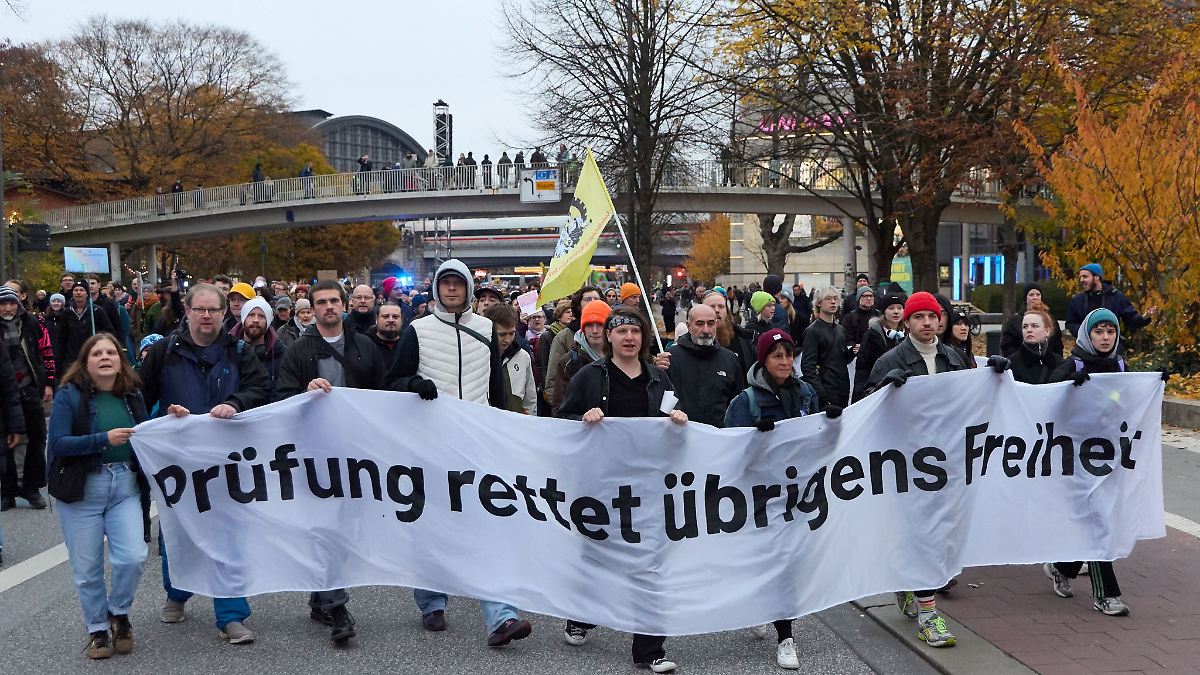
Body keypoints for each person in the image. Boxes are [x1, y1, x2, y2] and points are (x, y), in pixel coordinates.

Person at [385, 259, 534, 647]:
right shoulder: (417, 330)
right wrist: (415, 383)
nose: (452, 290)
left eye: (458, 284)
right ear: (436, 289)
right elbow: (393, 382)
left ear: (469, 289)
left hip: (477, 443)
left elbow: (496, 390)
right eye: (445, 283)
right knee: (432, 526)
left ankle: (501, 615)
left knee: (487, 526)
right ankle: (432, 602)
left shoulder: (486, 329)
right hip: (431, 444)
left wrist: (503, 430)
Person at [865, 292, 1009, 649]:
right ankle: (930, 616)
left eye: (933, 316)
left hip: (947, 461)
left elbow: (970, 403)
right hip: (907, 462)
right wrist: (883, 388)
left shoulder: (954, 357)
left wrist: (995, 376)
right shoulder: (890, 360)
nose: (927, 323)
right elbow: (864, 408)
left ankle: (908, 582)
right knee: (919, 532)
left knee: (937, 533)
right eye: (919, 317)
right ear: (907, 322)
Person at [557, 307, 687, 674]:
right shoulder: (589, 376)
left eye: (635, 331)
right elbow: (560, 421)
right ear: (609, 338)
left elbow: (674, 419)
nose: (629, 337)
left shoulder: (660, 379)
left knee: (648, 563)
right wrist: (582, 419)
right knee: (596, 554)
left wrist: (678, 420)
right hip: (600, 484)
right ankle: (582, 615)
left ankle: (650, 648)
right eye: (621, 331)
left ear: (644, 338)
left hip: (647, 485)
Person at [139, 283, 269, 644]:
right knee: (177, 534)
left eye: (214, 310)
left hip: (226, 461)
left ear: (224, 313)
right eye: (201, 310)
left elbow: (261, 390)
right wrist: (162, 415)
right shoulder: (163, 352)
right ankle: (177, 591)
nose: (208, 316)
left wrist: (237, 403)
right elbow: (139, 399)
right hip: (178, 463)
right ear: (188, 310)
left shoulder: (240, 351)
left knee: (228, 535)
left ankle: (231, 615)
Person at [276, 281, 385, 643]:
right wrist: (303, 394)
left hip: (354, 453)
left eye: (333, 301)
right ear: (311, 308)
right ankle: (339, 608)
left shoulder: (364, 346)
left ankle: (321, 597)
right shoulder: (298, 350)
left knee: (342, 527)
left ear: (345, 305)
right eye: (320, 302)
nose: (327, 307)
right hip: (314, 453)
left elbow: (382, 398)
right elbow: (281, 397)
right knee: (326, 528)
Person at [1042, 308, 1160, 617]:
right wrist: (1069, 382)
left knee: (1099, 519)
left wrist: (1153, 384)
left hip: (1110, 457)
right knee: (1099, 523)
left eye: (1110, 331)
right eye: (1099, 331)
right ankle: (1106, 595)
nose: (1105, 337)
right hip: (1075, 458)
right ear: (1088, 334)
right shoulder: (1074, 363)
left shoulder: (1121, 364)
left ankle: (1062, 566)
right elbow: (1047, 403)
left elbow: (1127, 402)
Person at [47, 333, 149, 659]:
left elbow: (147, 435)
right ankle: (97, 630)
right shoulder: (69, 395)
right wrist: (102, 439)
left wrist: (171, 420)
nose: (104, 357)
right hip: (81, 491)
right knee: (88, 569)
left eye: (111, 353)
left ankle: (118, 612)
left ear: (121, 361)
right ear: (85, 361)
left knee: (133, 556)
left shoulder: (131, 395)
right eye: (96, 354)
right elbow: (59, 444)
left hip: (124, 488)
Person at [0, 286, 52, 510]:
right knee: (6, 442)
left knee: (37, 438)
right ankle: (8, 491)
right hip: (3, 392)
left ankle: (32, 487)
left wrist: (49, 382)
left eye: (12, 303)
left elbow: (46, 352)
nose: (8, 307)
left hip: (30, 388)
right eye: (3, 304)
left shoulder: (31, 323)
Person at [666, 304, 745, 427]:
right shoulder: (671, 358)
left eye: (711, 323)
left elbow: (738, 404)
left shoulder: (730, 360)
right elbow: (661, 402)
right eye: (699, 324)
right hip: (680, 435)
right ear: (689, 326)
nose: (706, 330)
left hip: (719, 438)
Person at [545, 287, 603, 413]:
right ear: (578, 305)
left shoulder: (618, 351)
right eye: (588, 299)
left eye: (596, 299)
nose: (594, 330)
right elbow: (553, 382)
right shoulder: (564, 338)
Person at [1065, 263, 1157, 338]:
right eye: (1080, 277)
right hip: (1085, 350)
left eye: (1085, 276)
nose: (1081, 280)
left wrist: (1145, 317)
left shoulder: (1116, 296)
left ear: (1097, 277)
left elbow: (1131, 320)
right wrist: (1086, 333)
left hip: (1111, 349)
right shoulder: (1077, 299)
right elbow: (1071, 323)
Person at [801, 288, 853, 408]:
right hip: (826, 390)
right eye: (828, 299)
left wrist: (852, 352)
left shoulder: (840, 329)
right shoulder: (812, 331)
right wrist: (821, 394)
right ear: (819, 303)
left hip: (843, 388)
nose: (833, 302)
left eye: (835, 298)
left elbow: (842, 359)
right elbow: (807, 367)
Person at [552, 300, 610, 407]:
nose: (594, 330)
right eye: (589, 325)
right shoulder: (569, 361)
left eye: (600, 324)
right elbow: (560, 408)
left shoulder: (621, 358)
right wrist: (582, 418)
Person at [229, 296, 287, 403]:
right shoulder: (227, 348)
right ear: (244, 318)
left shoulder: (282, 353)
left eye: (261, 316)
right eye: (251, 315)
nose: (255, 320)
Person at [851, 293, 906, 402]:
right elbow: (863, 368)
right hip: (877, 389)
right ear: (884, 312)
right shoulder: (872, 335)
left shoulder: (908, 334)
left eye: (900, 308)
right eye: (891, 308)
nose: (896, 311)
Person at [483, 305, 536, 414]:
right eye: (501, 335)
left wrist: (530, 418)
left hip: (516, 423)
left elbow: (530, 396)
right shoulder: (479, 355)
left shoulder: (523, 356)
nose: (507, 340)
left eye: (511, 333)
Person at [58, 285, 115, 369]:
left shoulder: (96, 310)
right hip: (71, 358)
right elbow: (61, 337)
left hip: (92, 355)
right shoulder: (66, 312)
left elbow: (108, 331)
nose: (78, 293)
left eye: (82, 290)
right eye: (76, 290)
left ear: (87, 293)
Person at [1000, 283, 1063, 357]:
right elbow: (1006, 346)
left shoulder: (1051, 320)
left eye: (1038, 294)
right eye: (1031, 295)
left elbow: (1058, 345)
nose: (1035, 297)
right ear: (1025, 298)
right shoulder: (1014, 322)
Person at [1008, 301, 1062, 385]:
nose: (1029, 330)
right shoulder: (1011, 364)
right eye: (1025, 326)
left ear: (1047, 330)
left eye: (1034, 326)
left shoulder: (1059, 363)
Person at [370, 303, 404, 371]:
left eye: (395, 317)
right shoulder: (366, 344)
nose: (391, 320)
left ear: (402, 320)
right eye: (385, 316)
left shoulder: (408, 345)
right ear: (377, 319)